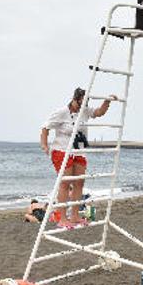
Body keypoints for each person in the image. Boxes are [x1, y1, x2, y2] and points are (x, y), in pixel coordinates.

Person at [40, 87, 117, 228]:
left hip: (79, 151)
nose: (82, 106)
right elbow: (45, 127)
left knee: (79, 183)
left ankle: (75, 216)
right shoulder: (61, 112)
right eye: (80, 102)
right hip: (61, 151)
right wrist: (44, 145)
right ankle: (62, 218)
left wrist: (107, 102)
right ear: (74, 99)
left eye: (85, 103)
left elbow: (99, 113)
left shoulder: (85, 110)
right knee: (65, 184)